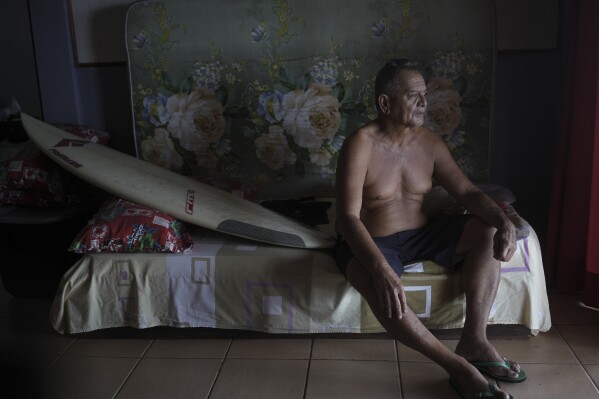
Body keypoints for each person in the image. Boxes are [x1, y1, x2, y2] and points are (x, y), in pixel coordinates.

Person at [334, 59, 526, 399]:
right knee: (386, 293)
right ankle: (457, 367)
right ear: (385, 103)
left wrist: (503, 221)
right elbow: (348, 218)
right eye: (414, 95)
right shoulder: (360, 144)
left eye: (425, 95)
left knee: (487, 230)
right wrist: (379, 267)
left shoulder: (430, 143)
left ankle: (475, 341)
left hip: (424, 233)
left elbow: (467, 192)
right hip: (372, 242)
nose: (425, 103)